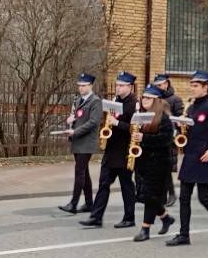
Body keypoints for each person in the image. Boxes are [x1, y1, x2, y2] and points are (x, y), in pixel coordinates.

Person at [167, 71, 208, 247]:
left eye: (196, 86)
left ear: (206, 87)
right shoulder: (191, 107)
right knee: (184, 197)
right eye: (192, 85)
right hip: (190, 157)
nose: (192, 88)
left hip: (204, 157)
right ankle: (183, 235)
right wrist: (182, 127)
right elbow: (191, 131)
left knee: (204, 198)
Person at [79, 71, 138, 229]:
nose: (118, 88)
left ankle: (129, 217)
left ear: (130, 87)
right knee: (103, 184)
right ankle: (96, 217)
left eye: (121, 85)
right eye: (117, 85)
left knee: (126, 186)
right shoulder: (115, 101)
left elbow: (135, 129)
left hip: (124, 152)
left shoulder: (134, 105)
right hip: (111, 151)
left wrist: (117, 123)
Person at [129, 84, 176, 242]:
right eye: (143, 97)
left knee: (151, 196)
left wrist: (144, 138)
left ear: (156, 100)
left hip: (159, 163)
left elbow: (167, 139)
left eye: (148, 97)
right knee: (149, 196)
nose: (144, 100)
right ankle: (165, 218)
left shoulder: (164, 117)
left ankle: (145, 229)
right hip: (144, 162)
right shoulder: (143, 115)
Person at [58, 73, 102, 215]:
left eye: (83, 85)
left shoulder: (95, 101)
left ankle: (73, 203)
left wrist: (75, 131)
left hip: (87, 142)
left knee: (79, 171)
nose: (81, 88)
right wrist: (72, 119)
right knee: (84, 172)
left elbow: (93, 122)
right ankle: (89, 203)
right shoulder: (78, 100)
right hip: (78, 140)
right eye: (79, 85)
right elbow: (80, 117)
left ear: (90, 86)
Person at [154, 73, 184, 206]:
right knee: (159, 168)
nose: (158, 88)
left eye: (160, 85)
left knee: (166, 168)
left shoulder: (175, 100)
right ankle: (162, 193)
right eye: (156, 85)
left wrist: (174, 125)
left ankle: (171, 193)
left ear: (166, 84)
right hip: (156, 136)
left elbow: (180, 118)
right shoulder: (155, 99)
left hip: (170, 137)